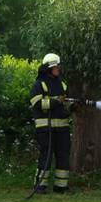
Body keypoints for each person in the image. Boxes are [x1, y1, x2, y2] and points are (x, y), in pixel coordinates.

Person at [29, 53, 71, 194]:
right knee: (45, 156)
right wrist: (56, 101)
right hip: (45, 127)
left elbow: (66, 105)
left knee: (63, 156)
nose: (59, 68)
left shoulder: (62, 84)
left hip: (62, 128)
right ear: (49, 67)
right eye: (56, 66)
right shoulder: (39, 84)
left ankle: (61, 187)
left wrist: (73, 106)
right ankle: (40, 186)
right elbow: (36, 103)